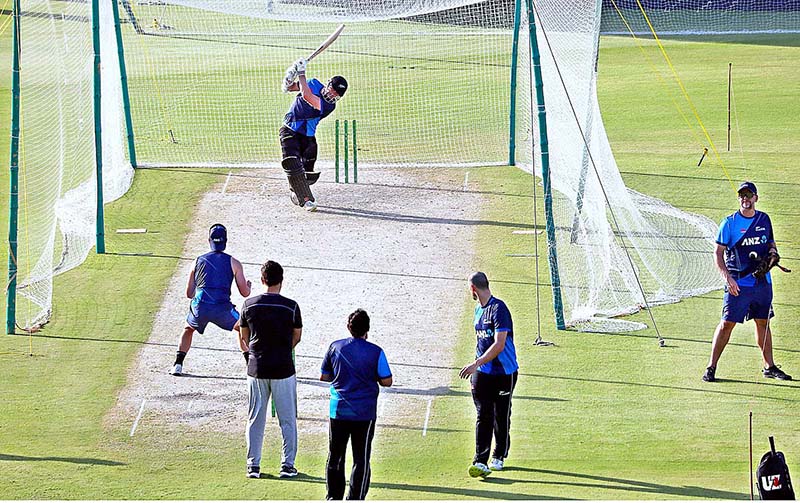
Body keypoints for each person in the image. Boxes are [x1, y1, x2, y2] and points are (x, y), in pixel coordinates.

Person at [703, 181, 791, 382]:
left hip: (762, 284)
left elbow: (770, 242)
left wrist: (773, 253)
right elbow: (718, 253)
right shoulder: (729, 223)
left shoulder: (764, 219)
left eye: (749, 195)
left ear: (756, 198)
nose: (745, 199)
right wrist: (728, 278)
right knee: (727, 324)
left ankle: (769, 366)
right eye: (742, 195)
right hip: (739, 284)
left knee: (763, 322)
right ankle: (711, 367)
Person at [238, 260, 303, 479]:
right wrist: (283, 349)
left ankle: (253, 465)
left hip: (256, 368)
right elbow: (297, 337)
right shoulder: (291, 306)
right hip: (283, 368)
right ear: (281, 281)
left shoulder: (248, 305)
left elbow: (244, 336)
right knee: (287, 420)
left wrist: (255, 351)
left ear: (262, 279)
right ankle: (287, 465)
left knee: (255, 418)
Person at [320, 309, 393, 500]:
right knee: (361, 459)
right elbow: (387, 381)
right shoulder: (376, 352)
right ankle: (356, 497)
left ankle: (333, 497)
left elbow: (324, 375)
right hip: (364, 414)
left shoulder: (335, 347)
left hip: (338, 411)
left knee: (335, 456)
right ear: (367, 330)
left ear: (348, 327)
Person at [169, 223, 251, 376]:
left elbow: (189, 293)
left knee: (188, 329)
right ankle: (250, 364)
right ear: (225, 241)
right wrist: (249, 286)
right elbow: (244, 293)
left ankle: (178, 364)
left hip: (200, 307)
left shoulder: (197, 261)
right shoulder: (234, 263)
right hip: (223, 308)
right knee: (242, 327)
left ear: (209, 240)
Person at [459, 272, 519, 478]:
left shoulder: (499, 309)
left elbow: (499, 344)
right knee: (483, 414)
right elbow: (482, 342)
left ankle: (499, 455)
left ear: (473, 288)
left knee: (501, 416)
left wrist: (475, 363)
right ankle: (480, 460)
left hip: (504, 373)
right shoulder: (478, 311)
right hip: (482, 373)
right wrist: (477, 366)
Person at [280, 57, 348, 212]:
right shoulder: (314, 83)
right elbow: (290, 88)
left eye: (336, 95)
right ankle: (306, 200)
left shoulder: (329, 106)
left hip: (308, 138)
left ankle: (295, 191)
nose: (333, 95)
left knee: (308, 171)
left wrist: (302, 72)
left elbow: (307, 96)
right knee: (293, 163)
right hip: (289, 129)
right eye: (333, 90)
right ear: (328, 84)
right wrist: (290, 76)